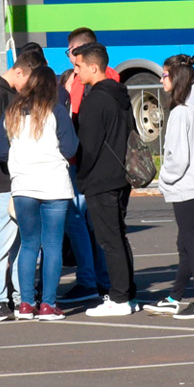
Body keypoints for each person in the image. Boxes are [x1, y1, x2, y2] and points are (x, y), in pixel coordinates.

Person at [0, 66, 78, 321]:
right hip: (54, 183)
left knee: (29, 244)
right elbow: (71, 147)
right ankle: (48, 304)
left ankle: (26, 303)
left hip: (23, 186)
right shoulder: (57, 111)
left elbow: (0, 151)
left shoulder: (12, 113)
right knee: (52, 245)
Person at [146, 55, 194, 319]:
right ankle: (175, 296)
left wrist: (164, 180)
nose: (161, 79)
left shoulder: (180, 112)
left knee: (190, 241)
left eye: (164, 75)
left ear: (176, 78)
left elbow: (177, 157)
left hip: (185, 185)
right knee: (184, 241)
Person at [72, 43, 137, 317]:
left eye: (79, 66)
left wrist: (82, 177)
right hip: (121, 176)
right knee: (118, 237)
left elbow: (87, 145)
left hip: (102, 179)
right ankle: (126, 293)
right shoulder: (120, 95)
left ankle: (120, 298)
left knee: (109, 240)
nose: (76, 72)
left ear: (93, 66)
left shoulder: (96, 99)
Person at [0, 49, 41, 321]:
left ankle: (17, 296)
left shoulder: (7, 93)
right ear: (18, 72)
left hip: (17, 176)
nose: (28, 90)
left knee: (18, 241)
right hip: (2, 177)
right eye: (27, 83)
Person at [59, 27, 114, 305]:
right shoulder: (110, 77)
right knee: (100, 226)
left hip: (86, 164)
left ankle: (91, 280)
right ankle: (102, 281)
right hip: (100, 164)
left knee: (85, 222)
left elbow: (79, 123)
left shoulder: (85, 81)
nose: (69, 59)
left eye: (70, 52)